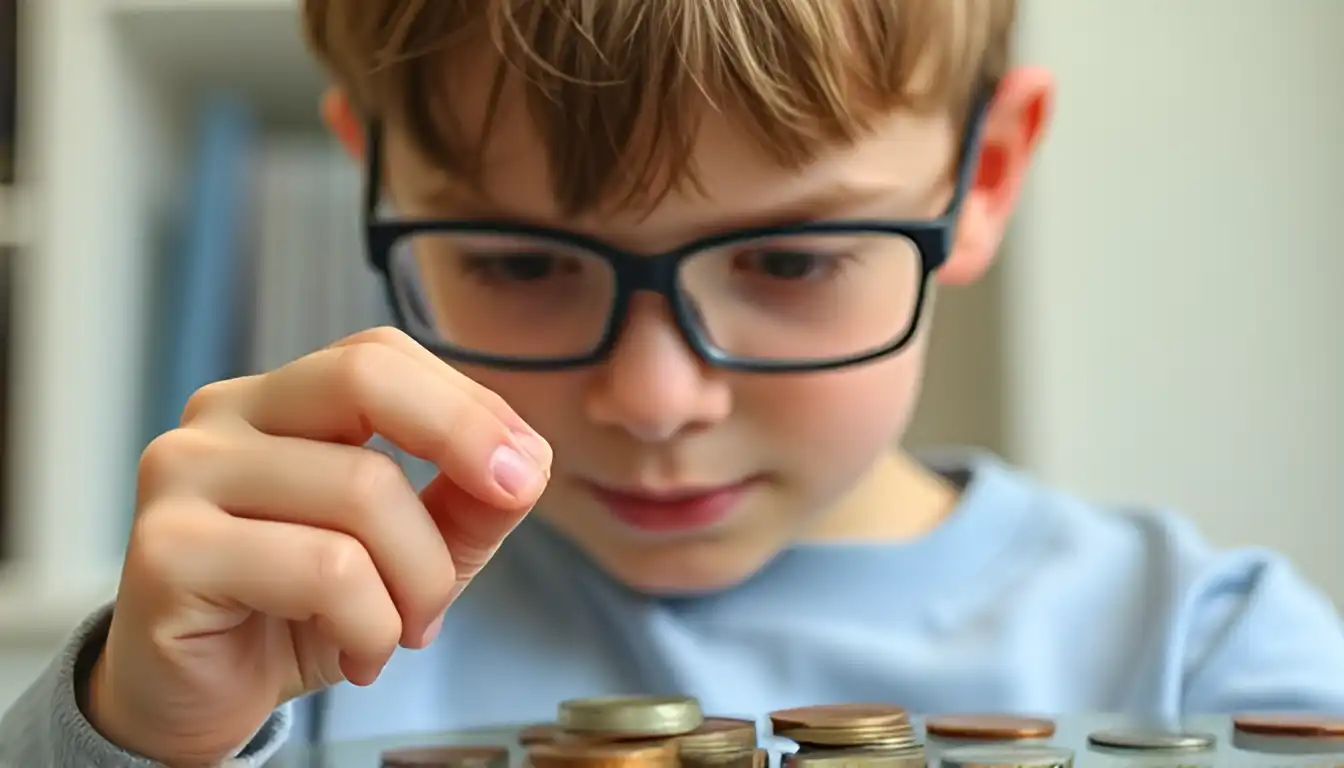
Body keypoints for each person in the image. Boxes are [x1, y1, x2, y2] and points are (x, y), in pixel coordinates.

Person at [5, 0, 1344, 765]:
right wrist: (133, 736)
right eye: (523, 262)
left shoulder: (1210, 655)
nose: (653, 400)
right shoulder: (281, 661)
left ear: (983, 179)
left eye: (788, 258)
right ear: (376, 178)